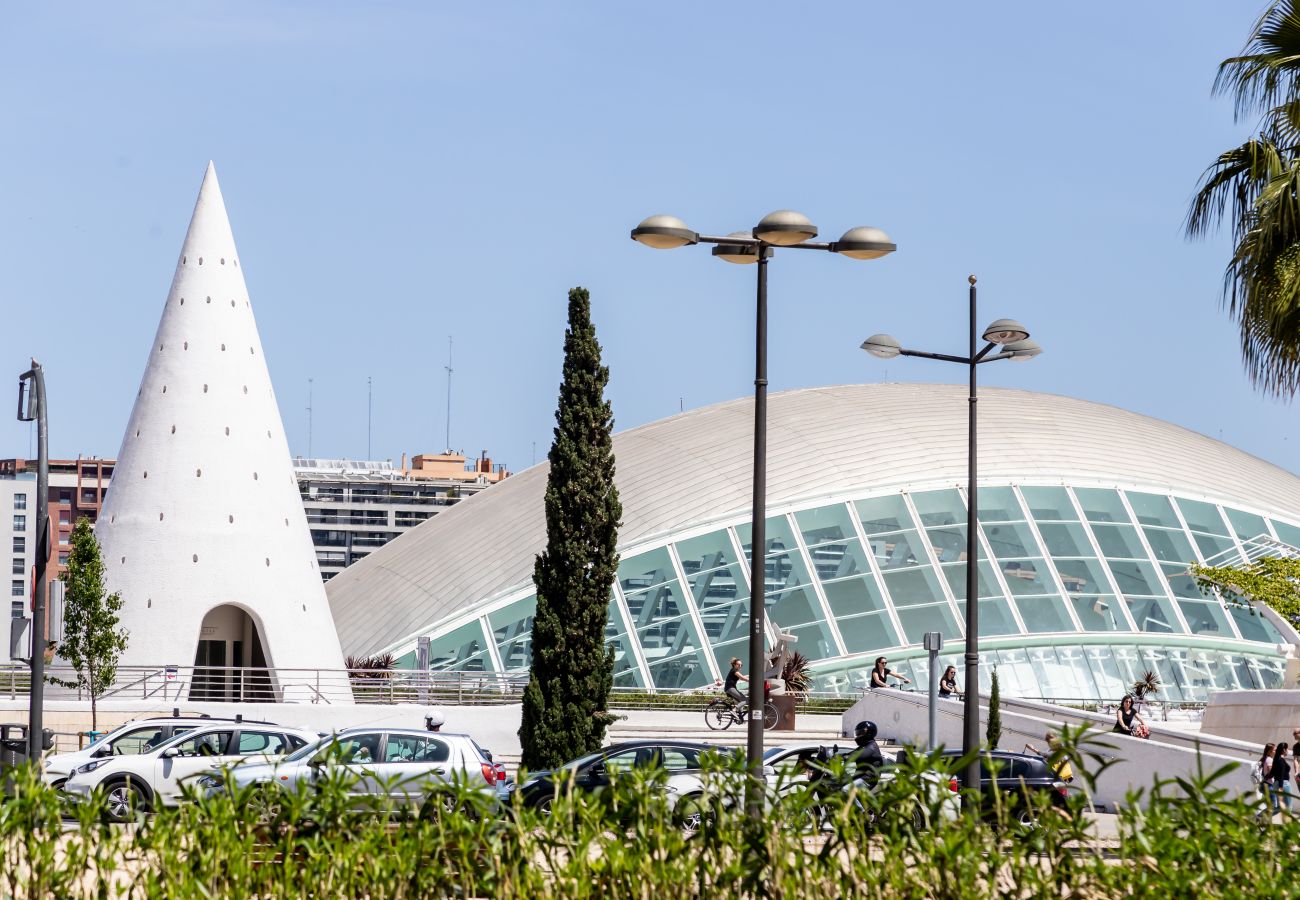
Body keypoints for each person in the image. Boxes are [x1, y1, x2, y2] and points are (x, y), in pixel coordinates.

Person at [1271, 742, 1293, 814]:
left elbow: (1272, 773)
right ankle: (1290, 824)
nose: (1288, 751)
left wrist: (1265, 779)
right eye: (1287, 749)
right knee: (1289, 806)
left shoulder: (1276, 759)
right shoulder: (1281, 760)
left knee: (1279, 808)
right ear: (1284, 750)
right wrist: (1281, 787)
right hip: (1283, 784)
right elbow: (1281, 774)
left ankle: (1261, 817)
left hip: (1276, 784)